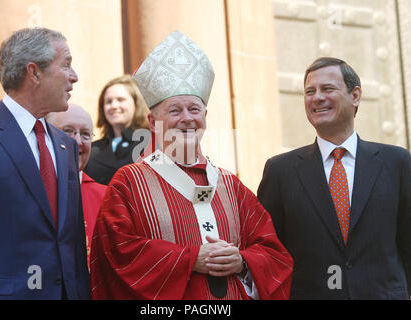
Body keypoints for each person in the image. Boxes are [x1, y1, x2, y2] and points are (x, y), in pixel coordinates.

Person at [90, 30, 293, 300]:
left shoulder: (230, 185)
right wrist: (189, 259)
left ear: (205, 117)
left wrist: (242, 261)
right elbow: (116, 253)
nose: (187, 118)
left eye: (194, 110)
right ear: (152, 122)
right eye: (175, 110)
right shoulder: (129, 183)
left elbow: (273, 252)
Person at [257, 57, 411, 300]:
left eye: (327, 89)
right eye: (310, 91)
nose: (317, 97)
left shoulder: (398, 163)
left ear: (355, 95)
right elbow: (268, 252)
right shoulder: (280, 171)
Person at [0, 27, 90, 299]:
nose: (74, 77)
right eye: (66, 65)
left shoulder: (65, 145)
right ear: (34, 72)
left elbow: (73, 243)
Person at [46, 104, 107, 268]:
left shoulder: (107, 198)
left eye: (86, 135)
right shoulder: (30, 191)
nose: (78, 141)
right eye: (68, 131)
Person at [84, 75, 150, 185]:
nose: (114, 106)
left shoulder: (152, 143)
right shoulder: (91, 150)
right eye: (108, 101)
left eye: (120, 100)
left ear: (136, 104)